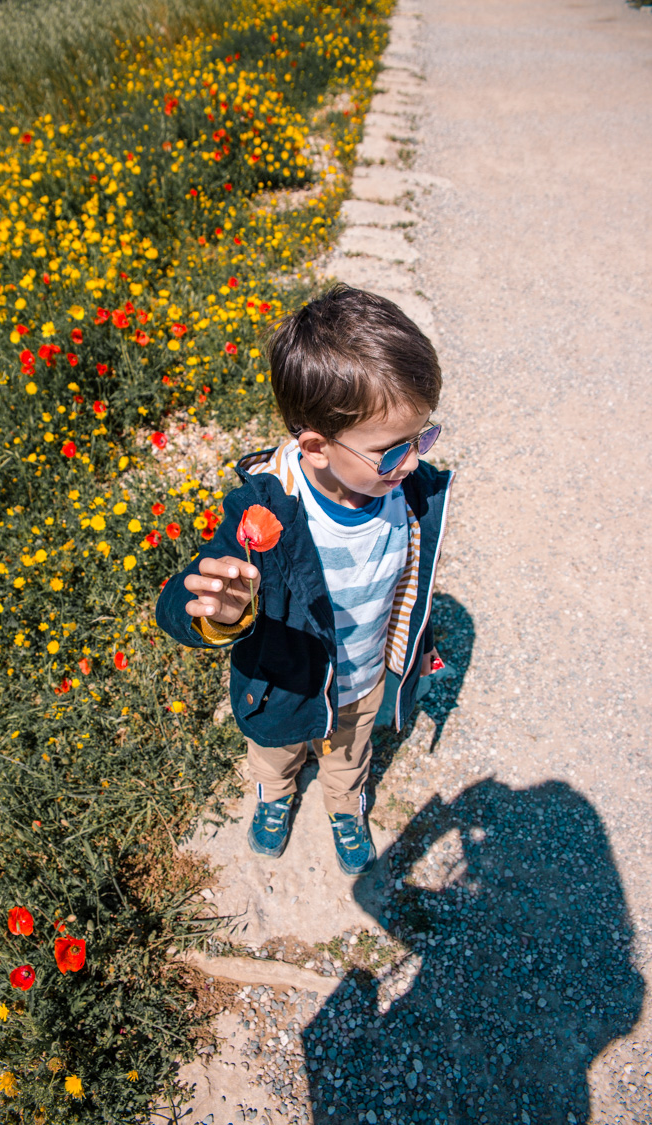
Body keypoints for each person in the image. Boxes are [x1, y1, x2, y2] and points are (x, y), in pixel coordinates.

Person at [155, 284, 454, 875]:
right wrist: (222, 612)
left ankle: (345, 805)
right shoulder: (266, 512)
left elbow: (407, 585)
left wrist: (416, 645)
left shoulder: (407, 494)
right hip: (283, 686)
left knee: (349, 757)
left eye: (424, 437)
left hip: (363, 678)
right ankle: (275, 799)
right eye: (394, 451)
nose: (415, 462)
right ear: (316, 447)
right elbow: (175, 604)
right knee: (274, 756)